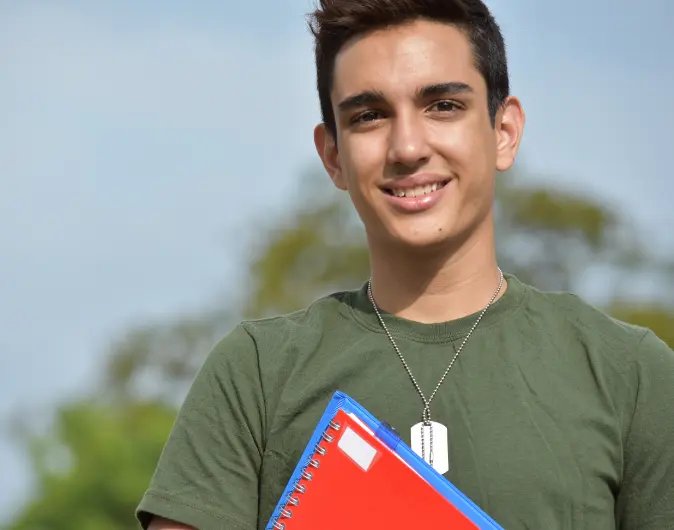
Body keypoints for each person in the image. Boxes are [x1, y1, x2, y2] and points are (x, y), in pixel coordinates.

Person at [136, 0, 674, 528]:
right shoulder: (255, 373)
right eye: (369, 116)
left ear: (504, 131)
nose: (408, 146)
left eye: (443, 105)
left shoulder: (630, 374)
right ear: (334, 157)